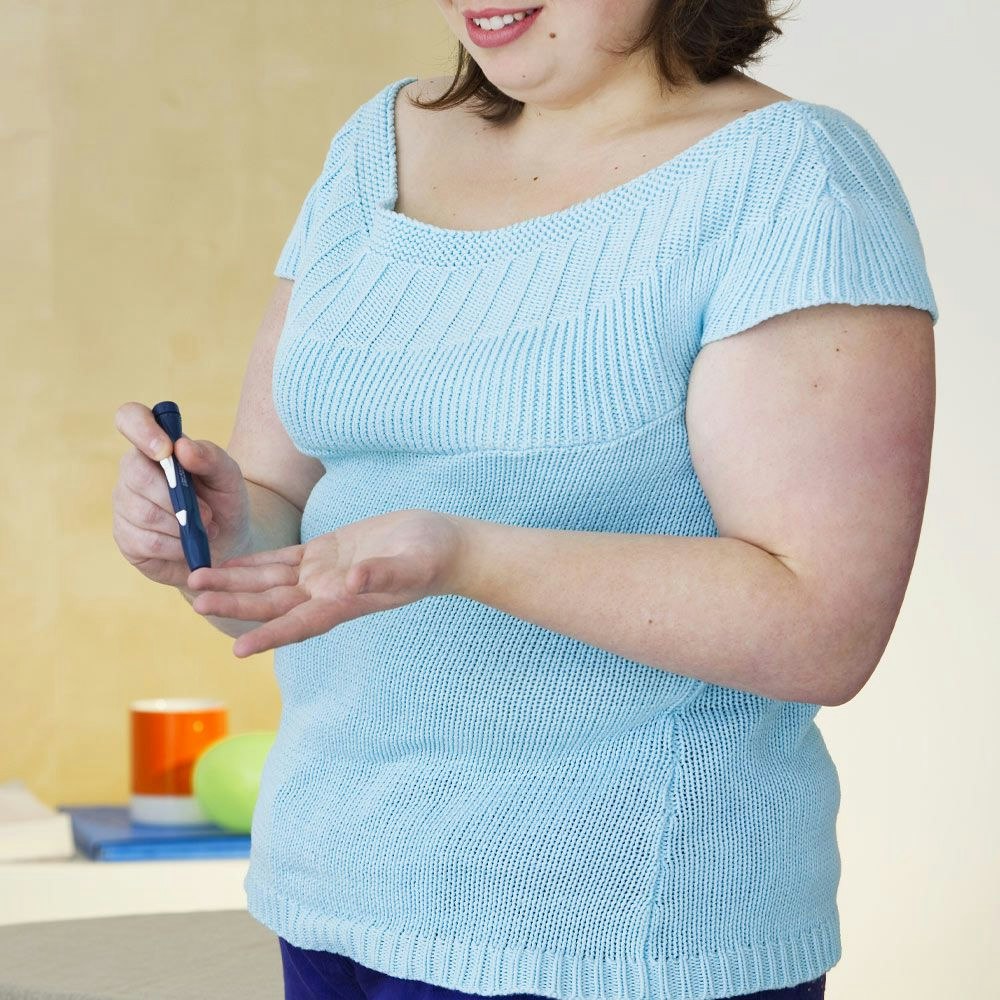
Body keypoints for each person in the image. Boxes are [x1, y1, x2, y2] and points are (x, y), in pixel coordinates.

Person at [112, 2, 938, 998]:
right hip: (334, 894)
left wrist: (465, 556)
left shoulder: (791, 180)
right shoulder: (376, 146)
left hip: (620, 939)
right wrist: (219, 531)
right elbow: (285, 504)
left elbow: (823, 630)